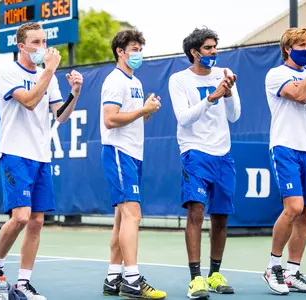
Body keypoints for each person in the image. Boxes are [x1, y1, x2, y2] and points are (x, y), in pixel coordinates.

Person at [0, 22, 83, 300]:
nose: (43, 47)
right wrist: (50, 69)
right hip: (14, 153)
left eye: (44, 41)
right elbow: (28, 100)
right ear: (21, 46)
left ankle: (23, 282)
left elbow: (60, 115)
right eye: (36, 42)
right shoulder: (7, 72)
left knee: (37, 221)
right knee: (21, 217)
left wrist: (74, 93)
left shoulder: (47, 77)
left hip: (41, 155)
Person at [168, 27, 240, 299]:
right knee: (196, 211)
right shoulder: (178, 80)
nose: (213, 52)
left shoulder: (225, 74)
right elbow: (184, 118)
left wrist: (229, 92)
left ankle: (215, 274)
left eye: (214, 47)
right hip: (194, 152)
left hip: (223, 154)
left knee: (221, 217)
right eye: (208, 48)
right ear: (194, 52)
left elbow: (234, 117)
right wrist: (211, 98)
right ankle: (196, 278)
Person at [263, 27, 306, 295]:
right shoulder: (276, 74)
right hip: (285, 147)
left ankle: (292, 272)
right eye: (301, 45)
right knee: (292, 208)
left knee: (305, 213)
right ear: (287, 48)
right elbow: (301, 95)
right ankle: (273, 267)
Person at [100, 29, 166, 300]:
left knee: (121, 218)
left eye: (140, 47)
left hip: (133, 153)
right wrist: (143, 110)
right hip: (119, 152)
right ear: (121, 51)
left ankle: (113, 277)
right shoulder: (115, 80)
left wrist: (146, 111)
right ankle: (131, 280)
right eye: (134, 48)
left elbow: (134, 119)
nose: (138, 52)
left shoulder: (134, 82)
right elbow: (110, 119)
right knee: (133, 216)